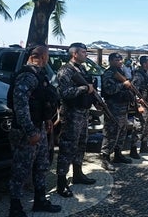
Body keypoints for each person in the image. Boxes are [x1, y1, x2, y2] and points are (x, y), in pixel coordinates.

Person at [8, 44, 61, 217]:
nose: (45, 60)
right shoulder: (26, 76)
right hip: (26, 131)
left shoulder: (40, 75)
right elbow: (20, 107)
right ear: (37, 56)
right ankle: (15, 208)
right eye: (44, 56)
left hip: (39, 127)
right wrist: (30, 131)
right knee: (21, 171)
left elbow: (42, 100)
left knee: (42, 166)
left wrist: (47, 120)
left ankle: (40, 201)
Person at [56, 43, 96, 198]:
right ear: (74, 54)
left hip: (83, 113)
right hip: (71, 114)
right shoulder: (65, 70)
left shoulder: (82, 69)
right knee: (67, 147)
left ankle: (78, 174)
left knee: (81, 144)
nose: (86, 55)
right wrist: (84, 89)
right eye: (84, 52)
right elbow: (64, 93)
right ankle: (61, 181)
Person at [100, 53, 134, 171]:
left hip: (123, 107)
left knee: (122, 131)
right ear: (110, 61)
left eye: (120, 60)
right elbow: (109, 90)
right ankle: (105, 158)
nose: (120, 62)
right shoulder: (108, 73)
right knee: (110, 132)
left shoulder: (121, 72)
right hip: (113, 107)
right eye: (116, 60)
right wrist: (123, 85)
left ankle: (118, 154)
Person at [131, 55, 148, 154]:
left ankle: (144, 145)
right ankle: (133, 149)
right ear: (144, 64)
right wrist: (139, 105)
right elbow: (134, 91)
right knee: (139, 127)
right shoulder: (138, 75)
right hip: (142, 104)